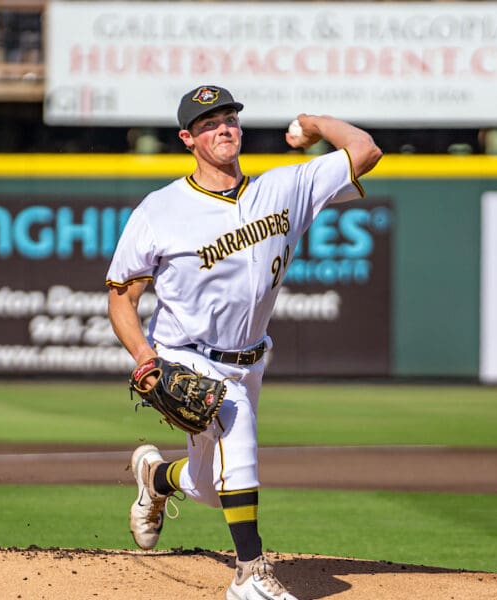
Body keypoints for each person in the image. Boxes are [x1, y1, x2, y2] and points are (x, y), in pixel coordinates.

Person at [105, 84, 382, 600]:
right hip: (183, 355)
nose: (224, 128)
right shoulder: (159, 210)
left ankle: (156, 477)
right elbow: (122, 297)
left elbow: (365, 151)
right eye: (209, 123)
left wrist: (317, 123)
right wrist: (145, 359)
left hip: (251, 358)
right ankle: (250, 573)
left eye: (230, 117)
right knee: (237, 426)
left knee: (212, 488)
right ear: (188, 138)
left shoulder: (285, 189)